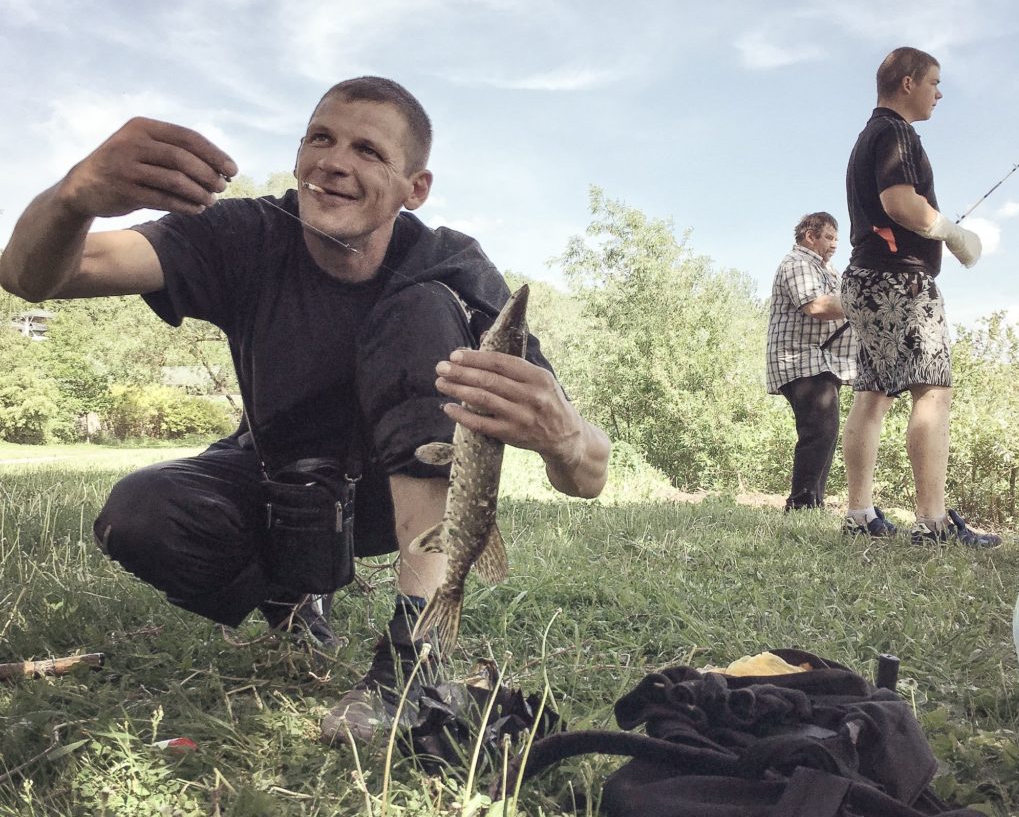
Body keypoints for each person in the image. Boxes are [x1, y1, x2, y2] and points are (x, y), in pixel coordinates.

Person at [0, 76, 611, 742]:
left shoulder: (452, 265)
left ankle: (416, 661)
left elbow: (588, 475)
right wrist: (74, 196)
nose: (335, 162)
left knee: (422, 304)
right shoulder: (247, 233)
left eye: (368, 151)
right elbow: (33, 275)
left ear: (415, 189)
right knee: (141, 514)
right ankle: (292, 604)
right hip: (279, 483)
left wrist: (566, 438)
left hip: (391, 498)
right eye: (320, 138)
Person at [840, 47, 999, 547]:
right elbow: (899, 202)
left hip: (864, 278)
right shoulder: (896, 132)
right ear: (907, 83)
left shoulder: (869, 134)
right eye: (934, 82)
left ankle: (859, 514)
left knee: (872, 393)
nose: (940, 93)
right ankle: (933, 524)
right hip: (899, 283)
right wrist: (953, 233)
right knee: (931, 390)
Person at [766, 212, 856, 511]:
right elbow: (816, 306)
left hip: (824, 360)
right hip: (801, 358)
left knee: (825, 430)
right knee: (819, 428)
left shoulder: (828, 271)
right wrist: (864, 301)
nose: (835, 244)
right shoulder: (797, 263)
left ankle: (812, 501)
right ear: (810, 236)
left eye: (836, 239)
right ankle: (802, 503)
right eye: (829, 237)